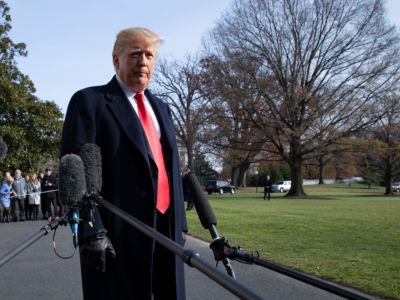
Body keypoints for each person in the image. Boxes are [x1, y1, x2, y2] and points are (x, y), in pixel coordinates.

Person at [60, 27, 187, 300]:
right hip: (115, 238)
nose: (143, 61)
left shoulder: (163, 109)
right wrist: (89, 230)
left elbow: (170, 171)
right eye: (135, 54)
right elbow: (75, 171)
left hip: (167, 232)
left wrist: (181, 225)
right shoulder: (88, 102)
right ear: (116, 60)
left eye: (149, 55)